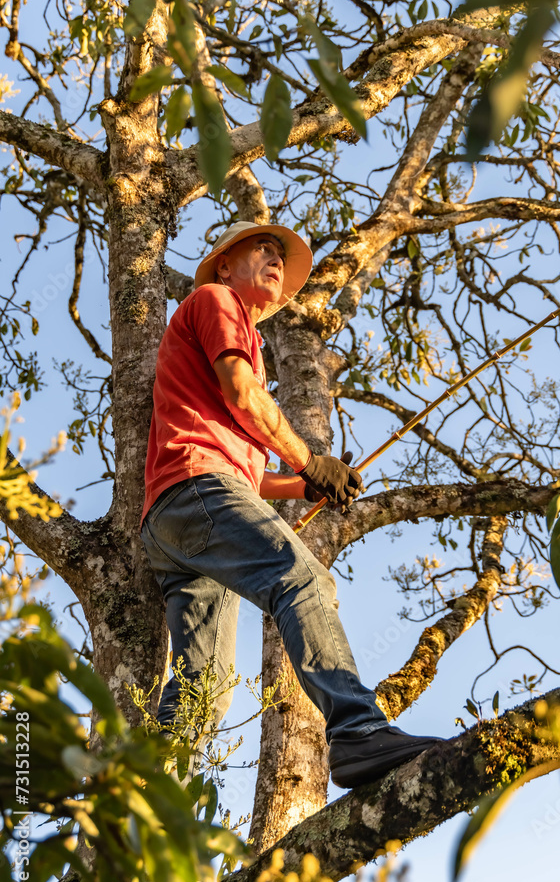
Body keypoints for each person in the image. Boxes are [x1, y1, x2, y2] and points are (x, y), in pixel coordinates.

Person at [140, 220, 441, 789]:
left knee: (203, 696)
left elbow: (244, 472)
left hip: (180, 516)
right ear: (225, 264)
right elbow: (243, 396)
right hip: (197, 492)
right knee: (300, 578)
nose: (276, 259)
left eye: (281, 254)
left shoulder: (239, 335)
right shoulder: (216, 298)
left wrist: (305, 486)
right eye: (263, 249)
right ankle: (356, 731)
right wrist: (309, 461)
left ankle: (138, 823)